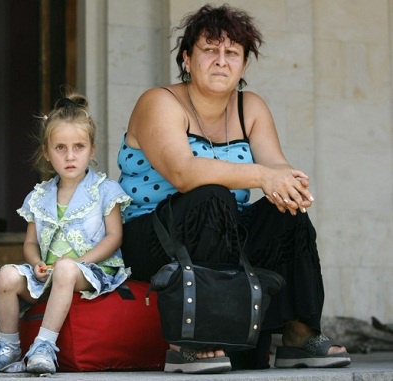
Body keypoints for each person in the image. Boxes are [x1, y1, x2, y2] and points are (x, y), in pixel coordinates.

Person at [117, 3, 351, 374]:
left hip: (224, 230)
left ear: (244, 64)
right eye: (210, 50)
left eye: (232, 53)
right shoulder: (159, 101)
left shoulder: (251, 107)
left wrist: (290, 182)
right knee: (211, 194)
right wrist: (262, 177)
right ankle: (193, 343)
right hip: (153, 235)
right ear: (187, 58)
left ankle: (299, 335)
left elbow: (275, 164)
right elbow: (183, 172)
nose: (221, 61)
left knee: (285, 212)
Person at [0, 91, 132, 374]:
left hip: (93, 270)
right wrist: (36, 264)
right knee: (6, 275)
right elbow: (30, 242)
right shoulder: (39, 196)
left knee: (66, 269)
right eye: (60, 148)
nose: (70, 156)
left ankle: (43, 347)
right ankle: (9, 348)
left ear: (92, 150)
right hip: (50, 272)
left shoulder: (105, 191)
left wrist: (79, 263)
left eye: (79, 147)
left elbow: (114, 237)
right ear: (46, 151)